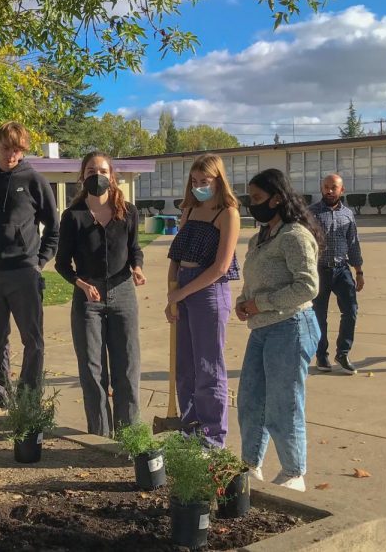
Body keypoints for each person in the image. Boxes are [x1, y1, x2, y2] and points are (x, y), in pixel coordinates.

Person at [0, 121, 59, 418]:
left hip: (24, 273)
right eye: (7, 149)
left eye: (17, 150)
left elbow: (53, 229)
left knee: (33, 340)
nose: (11, 156)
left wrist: (38, 262)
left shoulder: (34, 181)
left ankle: (28, 400)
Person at [235, 168, 322, 492]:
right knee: (250, 401)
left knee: (283, 405)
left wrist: (263, 303)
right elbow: (254, 280)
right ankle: (250, 466)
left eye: (257, 199)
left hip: (291, 328)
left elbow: (308, 286)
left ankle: (292, 472)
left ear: (277, 198)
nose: (252, 205)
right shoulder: (259, 237)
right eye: (250, 198)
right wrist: (245, 301)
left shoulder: (295, 235)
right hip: (261, 330)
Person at [55, 152, 146, 437]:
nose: (98, 175)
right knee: (93, 372)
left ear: (112, 176)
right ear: (83, 176)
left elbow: (134, 249)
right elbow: (61, 263)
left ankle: (128, 437)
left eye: (103, 170)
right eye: (92, 170)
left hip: (123, 294)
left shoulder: (128, 211)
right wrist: (80, 283)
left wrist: (138, 267)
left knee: (127, 367)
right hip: (88, 299)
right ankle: (100, 437)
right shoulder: (73, 216)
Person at [164, 154, 240, 447]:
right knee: (185, 367)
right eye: (194, 181)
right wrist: (172, 294)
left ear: (218, 180)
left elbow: (221, 267)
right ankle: (190, 427)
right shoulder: (190, 211)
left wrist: (181, 294)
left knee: (208, 367)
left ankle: (212, 436)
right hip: (182, 288)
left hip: (209, 292)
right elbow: (176, 255)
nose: (198, 187)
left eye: (204, 181)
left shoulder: (228, 214)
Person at [309, 174, 364, 374]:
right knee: (318, 315)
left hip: (342, 270)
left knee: (350, 311)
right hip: (318, 271)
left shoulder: (348, 214)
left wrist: (359, 271)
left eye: (334, 187)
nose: (329, 191)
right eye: (326, 187)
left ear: (342, 190)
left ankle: (343, 353)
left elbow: (353, 244)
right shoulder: (310, 213)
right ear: (321, 189)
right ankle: (321, 355)